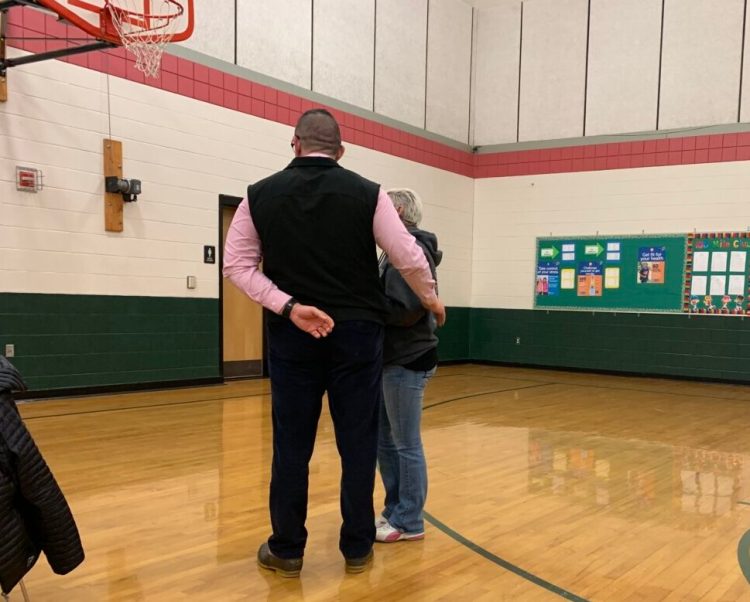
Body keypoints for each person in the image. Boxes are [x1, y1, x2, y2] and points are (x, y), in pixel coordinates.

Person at [223, 108, 446, 577]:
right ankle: (358, 546)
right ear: (341, 151)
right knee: (358, 443)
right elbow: (406, 254)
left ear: (295, 144)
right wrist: (430, 298)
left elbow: (237, 267)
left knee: (292, 447)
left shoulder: (257, 196)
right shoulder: (369, 194)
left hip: (293, 336)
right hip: (358, 338)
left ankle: (286, 549)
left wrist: (288, 307)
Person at [375, 189, 441, 543]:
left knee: (405, 443)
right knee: (384, 440)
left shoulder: (410, 249)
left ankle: (410, 520)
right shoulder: (392, 250)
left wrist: (367, 305)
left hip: (407, 360)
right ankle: (395, 509)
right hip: (391, 359)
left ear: (397, 209)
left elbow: (404, 309)